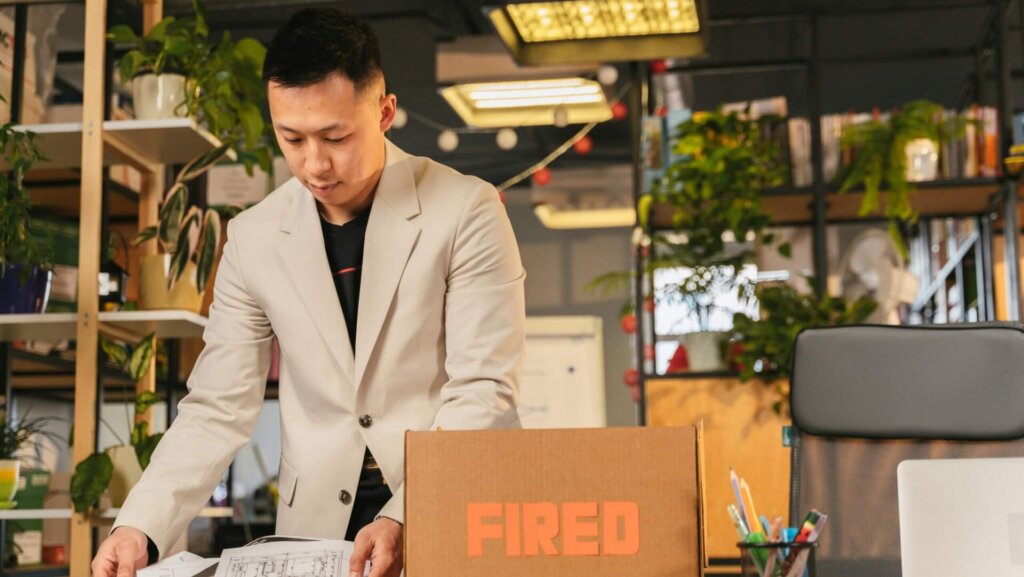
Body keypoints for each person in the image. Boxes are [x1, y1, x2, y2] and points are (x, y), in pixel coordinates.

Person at [91, 8, 525, 577]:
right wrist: (138, 524)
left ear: (384, 112)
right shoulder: (253, 239)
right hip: (316, 527)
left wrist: (405, 515)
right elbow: (217, 406)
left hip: (452, 500)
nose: (314, 163)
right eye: (291, 138)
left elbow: (484, 390)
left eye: (336, 136)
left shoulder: (466, 210)